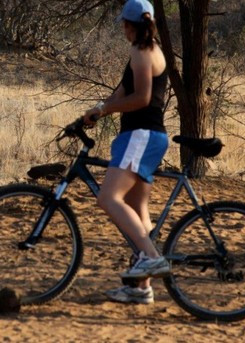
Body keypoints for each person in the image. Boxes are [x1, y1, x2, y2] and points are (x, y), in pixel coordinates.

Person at [83, 0, 170, 305]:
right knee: (138, 212)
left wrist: (105, 108)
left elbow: (142, 98)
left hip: (142, 135)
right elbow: (122, 92)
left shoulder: (143, 51)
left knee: (108, 198)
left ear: (132, 25)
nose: (122, 28)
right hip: (143, 137)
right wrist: (97, 111)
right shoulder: (144, 50)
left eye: (123, 23)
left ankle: (150, 257)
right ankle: (141, 287)